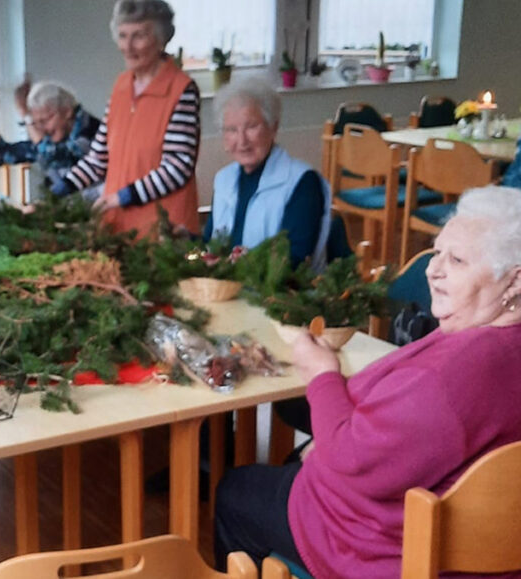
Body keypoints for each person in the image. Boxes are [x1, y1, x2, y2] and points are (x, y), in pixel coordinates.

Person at [214, 185, 521, 578]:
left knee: (236, 491)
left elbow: (351, 462)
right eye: (437, 251)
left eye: (457, 260)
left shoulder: (453, 376)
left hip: (382, 550)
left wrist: (322, 374)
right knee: (294, 455)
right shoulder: (484, 341)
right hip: (492, 552)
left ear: (513, 282)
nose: (433, 269)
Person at [52, 0, 200, 238]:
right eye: (123, 36)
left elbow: (177, 167)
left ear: (161, 40)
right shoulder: (121, 86)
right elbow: (99, 158)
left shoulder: (181, 90)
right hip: (119, 225)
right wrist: (55, 194)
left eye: (139, 36)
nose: (128, 47)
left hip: (165, 231)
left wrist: (123, 197)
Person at [204, 78, 331, 270]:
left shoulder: (302, 182)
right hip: (228, 289)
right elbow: (211, 243)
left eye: (251, 127)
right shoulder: (223, 180)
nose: (242, 140)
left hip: (282, 296)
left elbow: (294, 259)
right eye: (231, 130)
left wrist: (240, 265)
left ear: (274, 127)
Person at [0, 79, 102, 198]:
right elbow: (1, 153)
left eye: (45, 120)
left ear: (67, 111)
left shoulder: (91, 132)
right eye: (36, 122)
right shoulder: (52, 138)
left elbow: (51, 155)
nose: (42, 129)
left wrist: (25, 115)